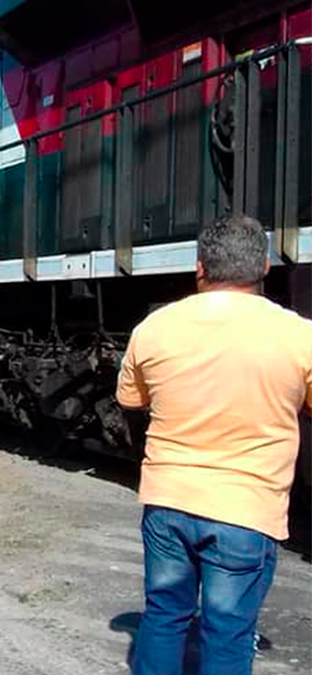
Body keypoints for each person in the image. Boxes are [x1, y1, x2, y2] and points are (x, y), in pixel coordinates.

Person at [117, 215, 312, 675]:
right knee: (228, 629)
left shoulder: (154, 327)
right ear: (264, 267)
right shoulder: (300, 334)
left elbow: (130, 398)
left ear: (200, 267)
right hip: (246, 509)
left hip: (168, 500)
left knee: (164, 614)